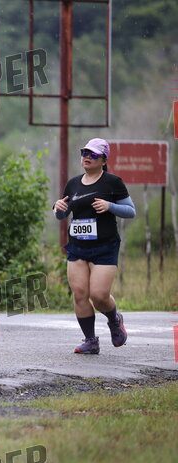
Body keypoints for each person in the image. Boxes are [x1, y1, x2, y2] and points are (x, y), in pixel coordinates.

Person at [52, 138, 135, 354]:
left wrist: (110, 206)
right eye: (85, 152)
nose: (87, 157)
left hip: (105, 246)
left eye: (93, 154)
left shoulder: (112, 182)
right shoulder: (73, 183)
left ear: (104, 160)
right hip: (77, 247)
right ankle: (91, 341)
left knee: (98, 296)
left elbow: (130, 211)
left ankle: (114, 319)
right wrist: (58, 208)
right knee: (80, 293)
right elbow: (62, 215)